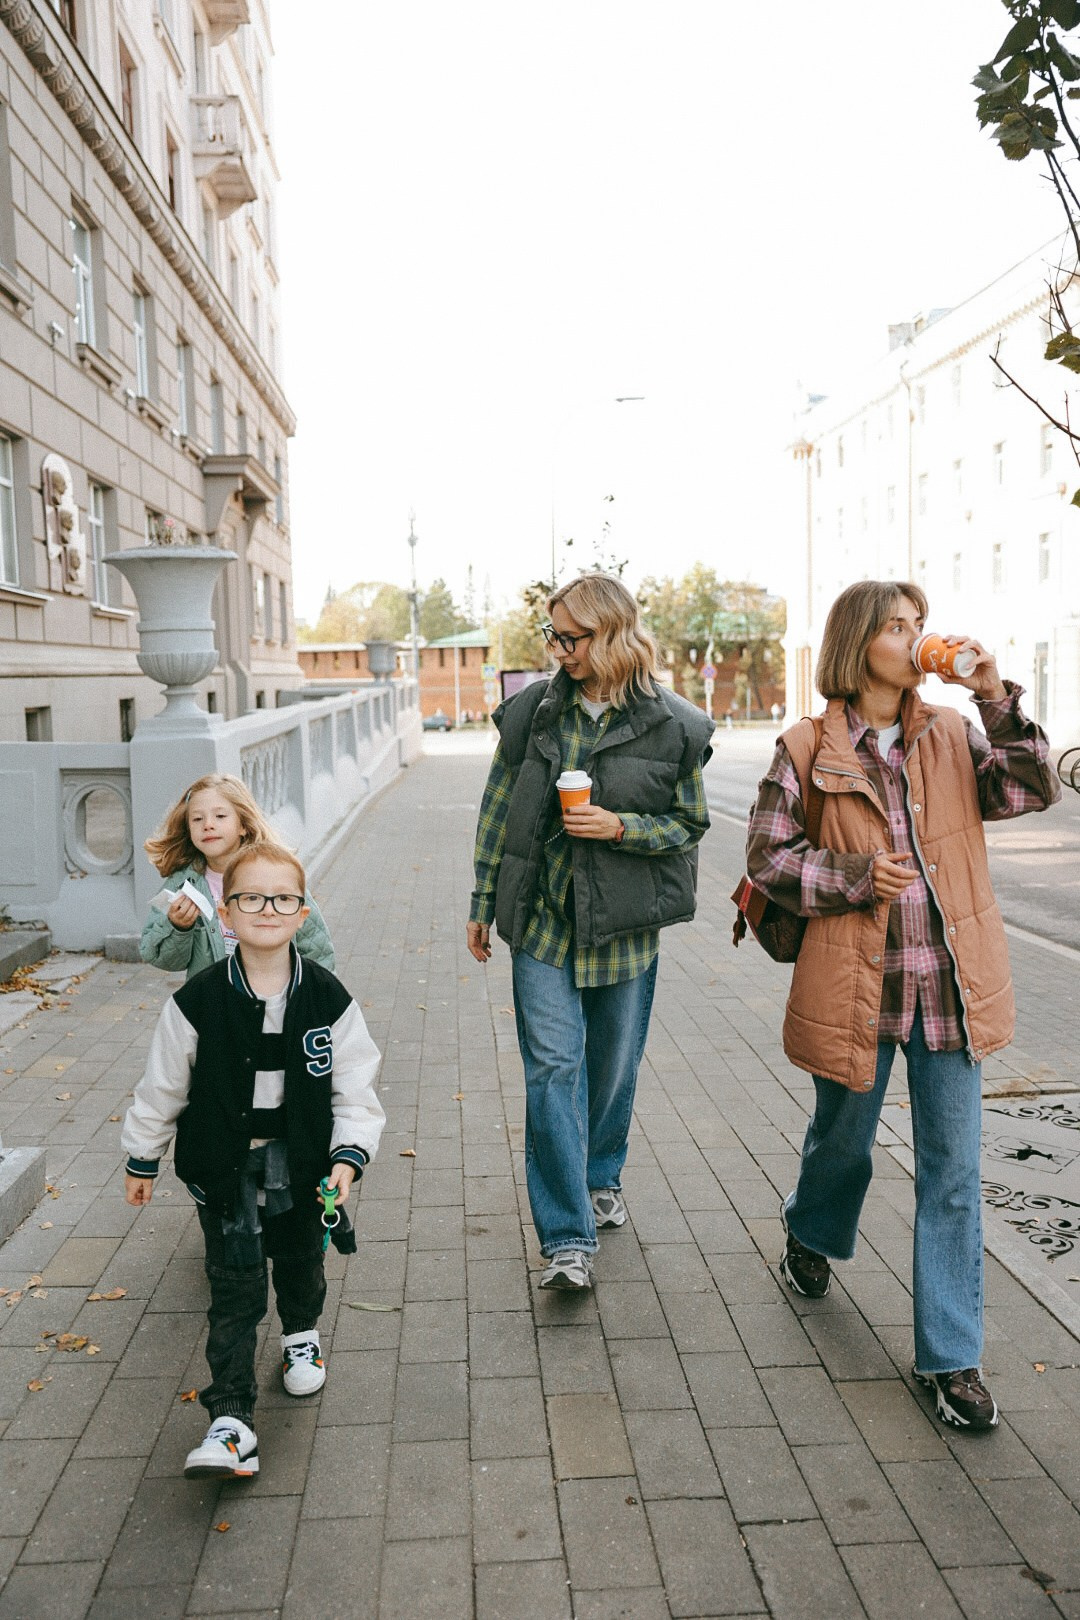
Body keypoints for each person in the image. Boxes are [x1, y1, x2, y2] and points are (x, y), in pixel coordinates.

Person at [746, 580, 1060, 1432]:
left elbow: (1029, 791)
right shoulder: (806, 746)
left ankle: (952, 1360)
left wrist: (995, 695)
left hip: (949, 988)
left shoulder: (952, 731)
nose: (917, 636)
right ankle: (811, 1231)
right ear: (857, 644)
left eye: (919, 623)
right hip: (858, 989)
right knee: (844, 1145)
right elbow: (768, 857)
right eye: (897, 624)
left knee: (953, 1174)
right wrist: (849, 878)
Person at [467, 573, 714, 1289]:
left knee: (610, 1067)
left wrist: (619, 827)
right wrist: (482, 900)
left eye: (568, 637)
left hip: (626, 926)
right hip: (542, 921)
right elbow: (495, 809)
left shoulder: (676, 725)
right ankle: (566, 1237)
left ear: (610, 634)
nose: (556, 649)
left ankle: (602, 1172)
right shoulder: (530, 716)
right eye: (552, 635)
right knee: (552, 1069)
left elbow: (689, 823)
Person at [122, 840, 385, 1479]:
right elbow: (163, 1084)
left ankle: (301, 1337)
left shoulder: (327, 999)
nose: (267, 909)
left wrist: (348, 1158)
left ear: (303, 914)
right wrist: (142, 1157)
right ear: (226, 914)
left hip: (304, 1167)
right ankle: (231, 1418)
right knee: (235, 1286)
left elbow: (356, 1084)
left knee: (299, 1262)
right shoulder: (198, 1001)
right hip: (226, 1169)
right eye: (250, 898)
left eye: (284, 898)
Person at [140, 773, 334, 977]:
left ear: (243, 825)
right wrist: (178, 927)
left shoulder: (279, 875)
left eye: (220, 816)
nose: (208, 825)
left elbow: (316, 947)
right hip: (214, 1004)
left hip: (277, 999)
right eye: (197, 819)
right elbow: (160, 957)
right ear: (188, 829)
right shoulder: (183, 884)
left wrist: (318, 999)